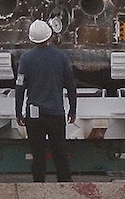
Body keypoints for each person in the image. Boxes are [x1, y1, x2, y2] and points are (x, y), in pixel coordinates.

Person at [15, 19, 77, 182]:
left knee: (38, 155)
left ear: (31, 39)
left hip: (34, 116)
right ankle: (65, 188)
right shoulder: (61, 57)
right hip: (56, 114)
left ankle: (39, 187)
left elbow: (20, 87)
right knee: (60, 154)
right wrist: (73, 110)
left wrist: (18, 113)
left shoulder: (26, 59)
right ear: (49, 36)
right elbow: (71, 85)